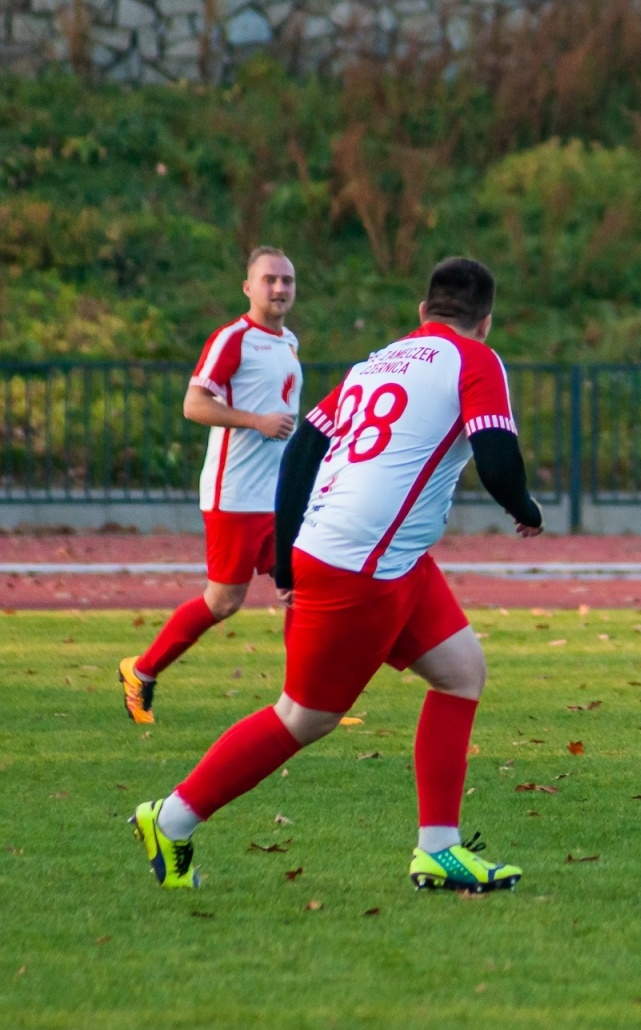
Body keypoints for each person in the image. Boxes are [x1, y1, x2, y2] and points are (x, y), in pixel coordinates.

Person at [130, 257, 545, 891]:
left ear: (421, 313)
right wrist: (525, 508)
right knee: (303, 717)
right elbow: (496, 456)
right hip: (363, 563)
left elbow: (303, 448)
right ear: (484, 321)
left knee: (462, 674)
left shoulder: (375, 361)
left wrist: (291, 551)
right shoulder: (476, 359)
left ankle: (438, 848)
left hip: (385, 554)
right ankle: (173, 817)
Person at [119, 247, 303, 725]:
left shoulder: (289, 342)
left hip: (276, 496)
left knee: (302, 586)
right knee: (224, 601)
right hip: (236, 496)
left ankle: (305, 702)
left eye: (287, 280)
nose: (279, 288)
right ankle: (141, 671)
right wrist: (255, 422)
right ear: (248, 287)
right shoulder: (233, 338)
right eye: (269, 280)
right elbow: (194, 405)